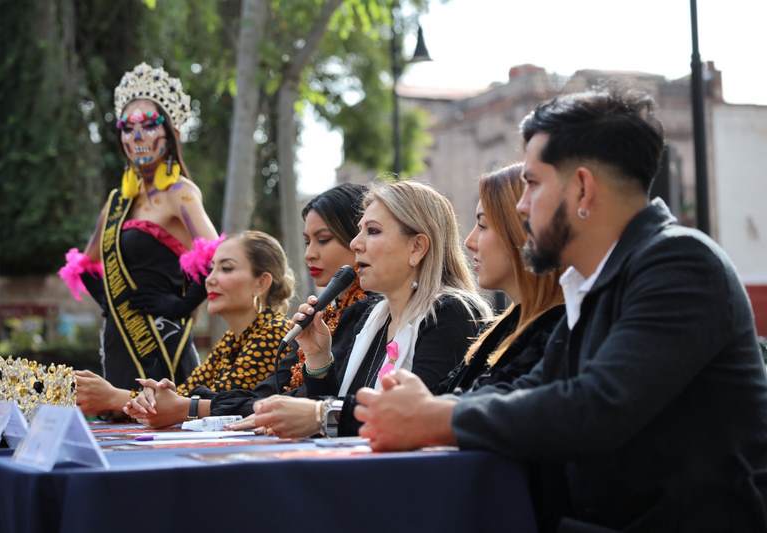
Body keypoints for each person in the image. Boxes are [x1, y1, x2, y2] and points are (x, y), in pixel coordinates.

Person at [354, 90, 767, 532]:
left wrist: (436, 417)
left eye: (532, 183)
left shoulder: (679, 263)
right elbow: (532, 389)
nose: (520, 205)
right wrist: (426, 407)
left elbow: (597, 405)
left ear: (583, 188)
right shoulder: (597, 281)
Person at [248, 181, 492, 438]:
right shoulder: (370, 316)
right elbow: (333, 428)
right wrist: (318, 359)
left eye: (372, 231)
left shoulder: (451, 314)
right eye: (358, 231)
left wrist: (321, 414)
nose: (355, 244)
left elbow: (415, 419)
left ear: (417, 247)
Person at [126, 184, 375, 425]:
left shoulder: (275, 331)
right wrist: (161, 398)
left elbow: (287, 403)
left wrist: (182, 406)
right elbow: (244, 396)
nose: (309, 253)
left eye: (323, 239)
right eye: (307, 241)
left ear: (261, 282)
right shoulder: (324, 316)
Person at [58, 63, 218, 414]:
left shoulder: (181, 194)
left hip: (162, 339)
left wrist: (182, 305)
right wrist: (109, 302)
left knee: (163, 424)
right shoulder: (118, 202)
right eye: (128, 129)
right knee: (118, 424)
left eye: (149, 125)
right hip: (119, 337)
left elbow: (220, 257)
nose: (138, 136)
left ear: (170, 133)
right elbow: (84, 265)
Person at [119, 231, 295, 426]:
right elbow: (186, 392)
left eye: (226, 268)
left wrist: (114, 397)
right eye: (211, 269)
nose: (209, 279)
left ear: (261, 283)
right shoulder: (231, 339)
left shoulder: (275, 331)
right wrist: (153, 394)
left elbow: (219, 400)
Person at [436, 163, 564, 395]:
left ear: (520, 232)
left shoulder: (557, 332)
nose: (469, 241)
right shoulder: (503, 326)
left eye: (483, 225)